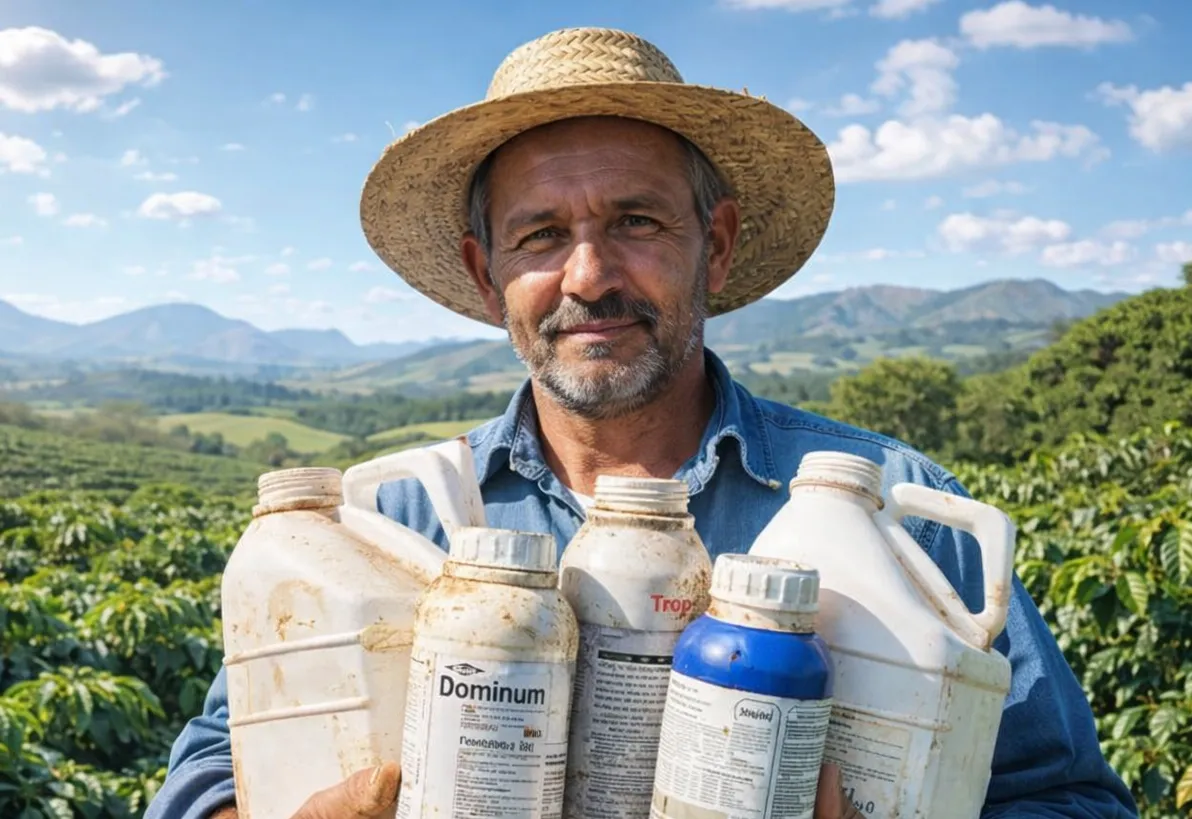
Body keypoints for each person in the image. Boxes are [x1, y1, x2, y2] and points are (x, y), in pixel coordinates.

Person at [146, 26, 1138, 819]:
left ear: (716, 241)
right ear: (487, 273)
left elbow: (1068, 799)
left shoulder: (897, 512)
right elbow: (201, 785)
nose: (589, 277)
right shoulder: (380, 522)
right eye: (540, 236)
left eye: (636, 221)